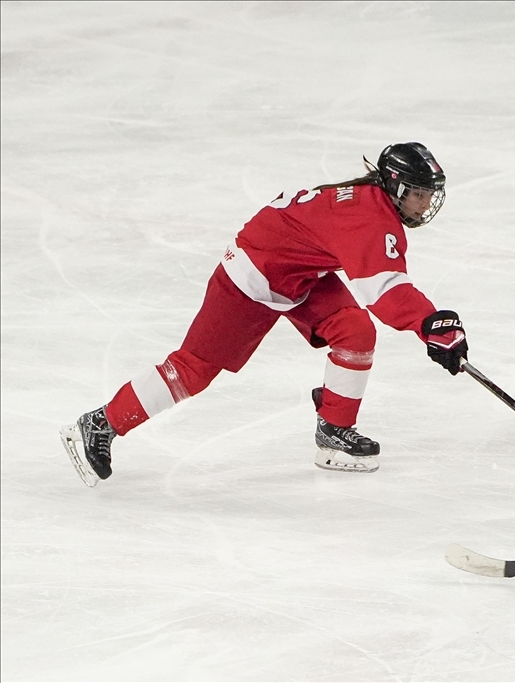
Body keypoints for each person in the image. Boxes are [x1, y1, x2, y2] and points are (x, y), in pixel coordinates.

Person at [60, 142, 469, 485]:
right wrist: (431, 324)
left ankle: (334, 430)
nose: (427, 202)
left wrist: (430, 323)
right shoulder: (369, 218)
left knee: (354, 331)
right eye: (419, 193)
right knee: (192, 371)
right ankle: (100, 424)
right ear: (395, 186)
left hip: (297, 273)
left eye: (430, 194)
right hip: (252, 277)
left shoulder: (369, 201)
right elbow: (383, 290)